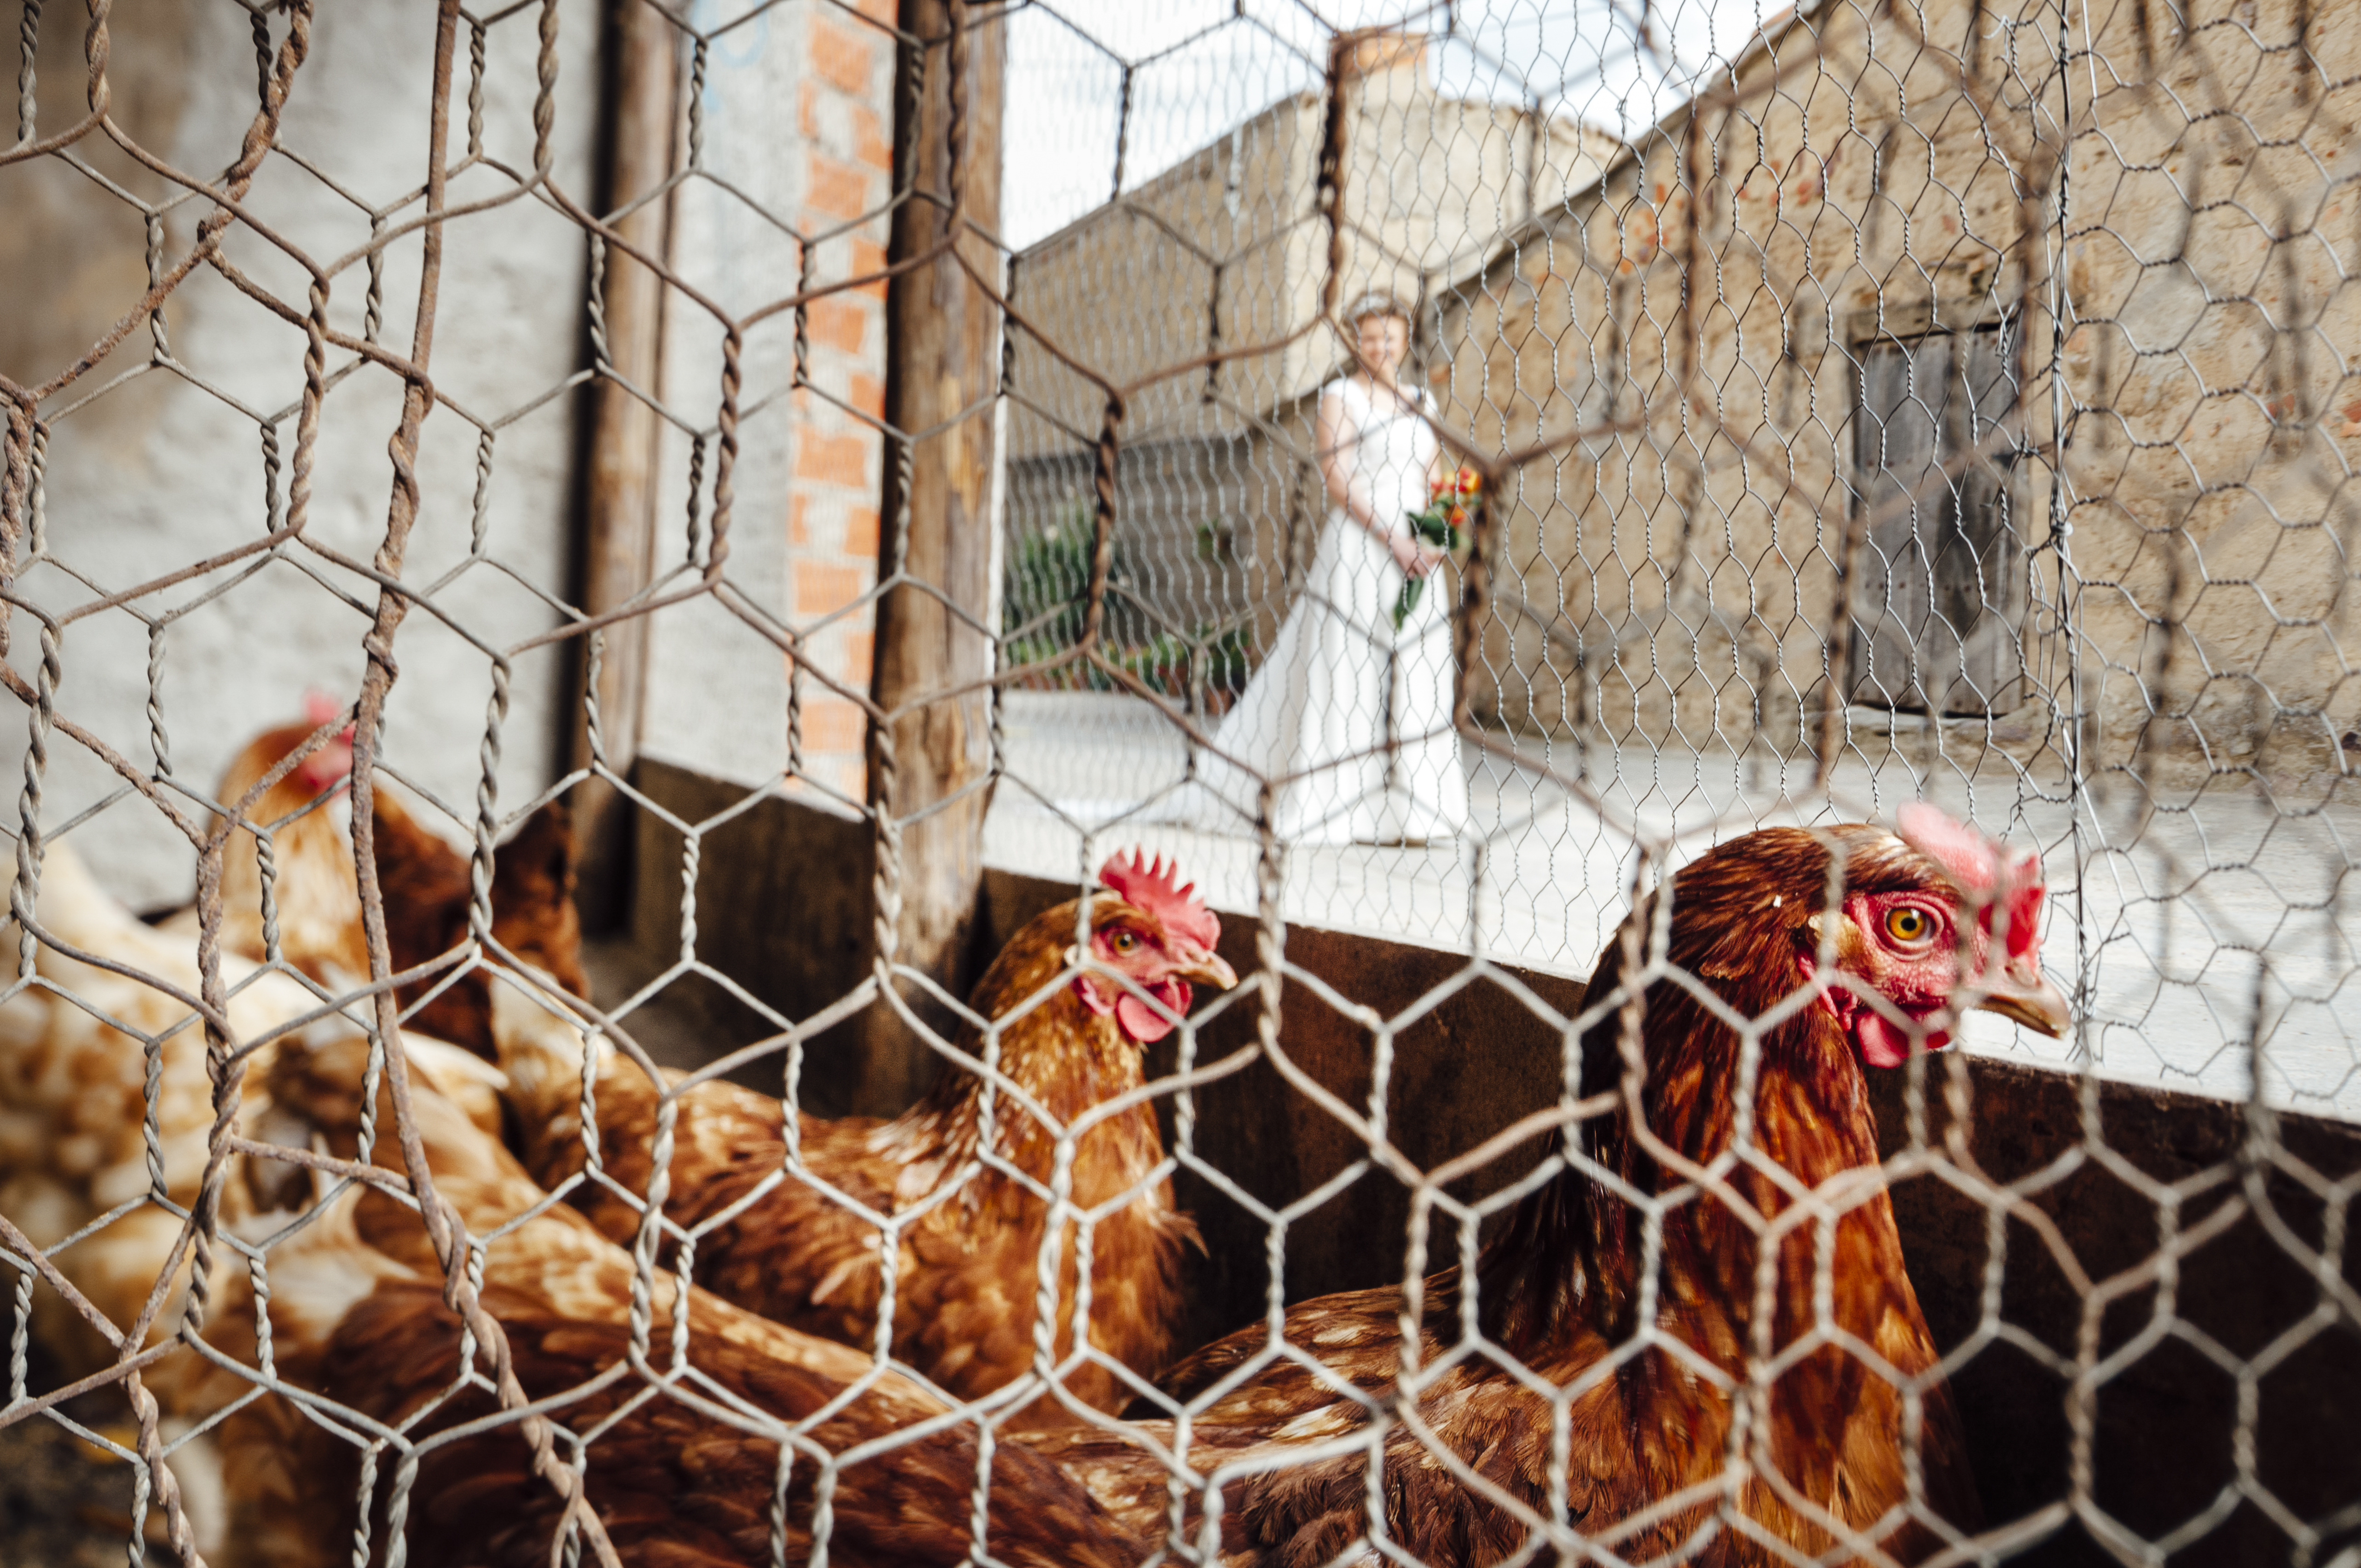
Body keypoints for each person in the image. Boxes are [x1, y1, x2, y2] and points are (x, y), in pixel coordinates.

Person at [1155, 294, 1470, 845]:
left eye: (1389, 334)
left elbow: (1437, 474)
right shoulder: (1340, 396)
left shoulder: (1423, 399)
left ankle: (1417, 810)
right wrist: (1394, 539)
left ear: (1405, 337)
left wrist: (1438, 534)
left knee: (1417, 665)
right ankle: (1338, 804)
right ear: (1354, 341)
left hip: (1418, 550)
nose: (1380, 345)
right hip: (1362, 545)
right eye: (1369, 336)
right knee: (1349, 665)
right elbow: (1339, 480)